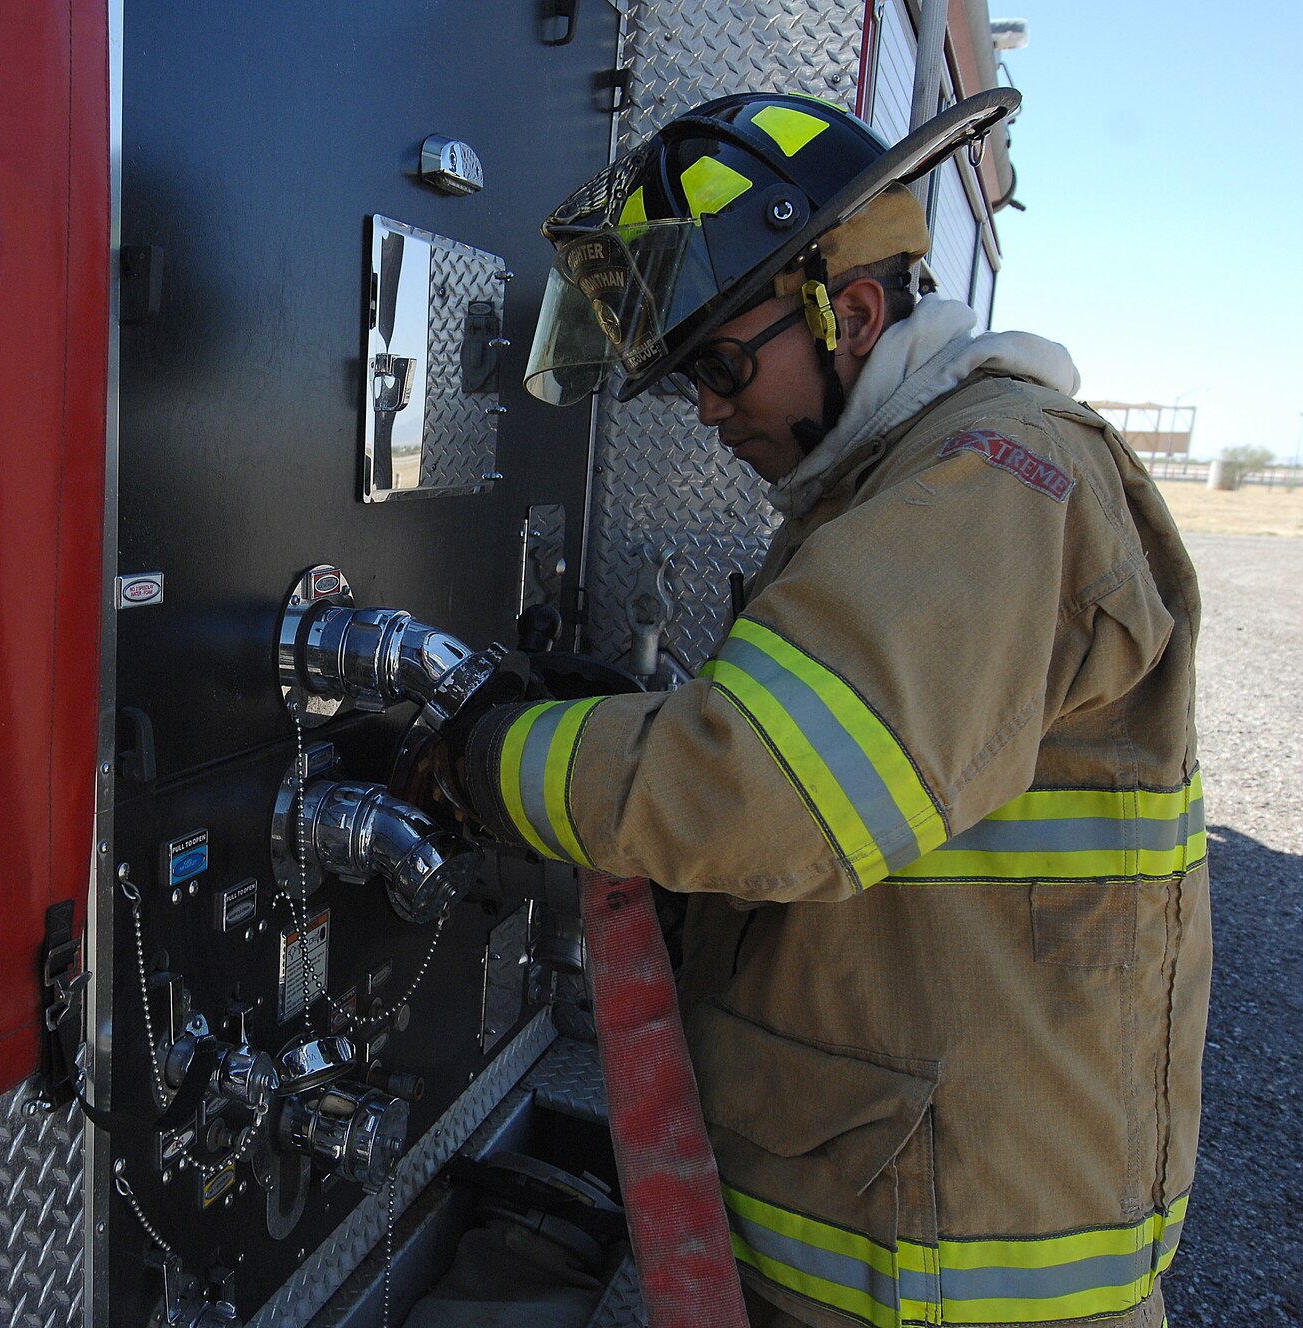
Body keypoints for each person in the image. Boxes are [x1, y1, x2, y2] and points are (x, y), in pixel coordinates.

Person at [454, 92, 1208, 1328]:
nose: (704, 412)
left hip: (959, 1283)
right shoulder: (908, 489)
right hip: (895, 1237)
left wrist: (486, 761)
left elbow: (766, 792)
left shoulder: (996, 478)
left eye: (716, 365)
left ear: (849, 312)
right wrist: (638, 719)